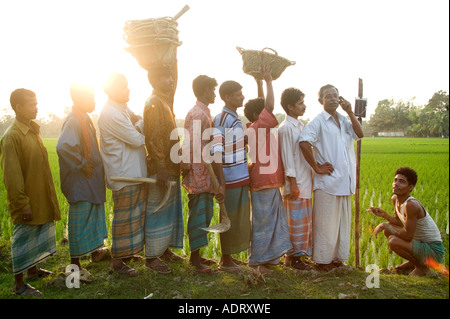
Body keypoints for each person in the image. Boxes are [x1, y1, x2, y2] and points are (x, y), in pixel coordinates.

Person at [1, 88, 61, 296]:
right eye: (31, 104)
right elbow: (12, 175)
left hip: (40, 195)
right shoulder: (12, 137)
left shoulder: (34, 130)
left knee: (36, 234)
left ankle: (32, 271)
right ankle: (18, 284)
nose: (36, 108)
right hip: (26, 199)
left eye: (36, 103)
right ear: (18, 108)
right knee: (23, 239)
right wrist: (22, 203)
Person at [299, 84, 363, 272]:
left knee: (341, 222)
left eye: (335, 95)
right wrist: (316, 167)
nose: (333, 99)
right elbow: (303, 142)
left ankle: (337, 259)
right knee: (326, 223)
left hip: (345, 180)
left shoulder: (344, 120)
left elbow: (360, 134)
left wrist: (351, 112)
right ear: (321, 101)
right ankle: (322, 261)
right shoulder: (318, 121)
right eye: (328, 96)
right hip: (327, 182)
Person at [56, 83, 109, 282]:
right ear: (79, 100)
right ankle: (74, 266)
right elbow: (64, 147)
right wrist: (82, 164)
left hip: (89, 181)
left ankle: (94, 254)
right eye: (90, 97)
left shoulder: (84, 118)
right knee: (79, 222)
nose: (94, 101)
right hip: (81, 181)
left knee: (91, 218)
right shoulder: (73, 121)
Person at [98, 73, 148, 276]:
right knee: (124, 218)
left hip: (132, 173)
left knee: (133, 217)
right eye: (123, 87)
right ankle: (117, 262)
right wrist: (141, 124)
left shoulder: (121, 108)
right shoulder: (111, 113)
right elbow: (137, 139)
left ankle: (126, 254)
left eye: (127, 86)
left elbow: (136, 121)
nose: (128, 90)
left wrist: (138, 123)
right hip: (123, 174)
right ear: (111, 91)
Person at [244, 66, 292, 274]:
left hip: (267, 181)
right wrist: (270, 81)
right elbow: (269, 106)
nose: (268, 112)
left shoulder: (255, 126)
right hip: (263, 182)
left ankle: (269, 259)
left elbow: (263, 105)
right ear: (259, 114)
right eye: (263, 110)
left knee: (270, 221)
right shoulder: (258, 127)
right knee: (263, 223)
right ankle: (257, 263)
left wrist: (259, 84)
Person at [181, 75, 226, 273]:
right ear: (204, 90)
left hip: (203, 170)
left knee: (205, 212)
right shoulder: (198, 114)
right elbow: (192, 144)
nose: (214, 94)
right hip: (199, 170)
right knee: (199, 214)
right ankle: (195, 259)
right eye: (212, 90)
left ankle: (197, 256)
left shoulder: (204, 112)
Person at [143, 66, 184, 274]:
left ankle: (165, 250)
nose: (170, 80)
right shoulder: (153, 102)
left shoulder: (164, 101)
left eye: (170, 76)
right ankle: (151, 257)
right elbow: (152, 136)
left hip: (170, 165)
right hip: (161, 168)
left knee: (168, 209)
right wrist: (160, 166)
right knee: (157, 209)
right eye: (164, 77)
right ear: (154, 81)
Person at [369, 166, 445, 276]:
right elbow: (399, 222)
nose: (396, 184)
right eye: (395, 180)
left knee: (393, 241)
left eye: (401, 181)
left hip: (433, 250)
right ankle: (413, 262)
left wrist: (384, 225)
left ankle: (421, 267)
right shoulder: (395, 199)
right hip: (420, 244)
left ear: (410, 187)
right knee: (388, 230)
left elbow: (408, 236)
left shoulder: (411, 205)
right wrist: (384, 215)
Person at [211, 80, 251, 273]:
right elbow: (217, 150)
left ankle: (230, 258)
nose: (242, 96)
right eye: (238, 93)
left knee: (238, 220)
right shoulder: (222, 118)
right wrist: (222, 183)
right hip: (230, 178)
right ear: (227, 97)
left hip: (240, 175)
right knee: (228, 218)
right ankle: (225, 260)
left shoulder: (234, 117)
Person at [278, 87, 313, 270]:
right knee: (294, 221)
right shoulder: (285, 128)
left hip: (305, 180)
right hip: (296, 182)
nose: (304, 106)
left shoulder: (299, 126)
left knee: (303, 221)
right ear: (290, 107)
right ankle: (293, 258)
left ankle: (299, 256)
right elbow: (287, 159)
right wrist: (292, 183)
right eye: (300, 103)